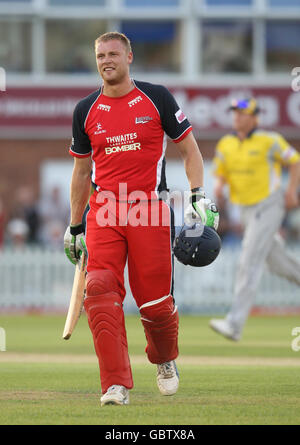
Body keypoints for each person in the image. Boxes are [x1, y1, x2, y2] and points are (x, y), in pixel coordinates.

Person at [63, 32, 218, 406]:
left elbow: (190, 150)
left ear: (129, 56)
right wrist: (75, 226)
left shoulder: (157, 97)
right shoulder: (85, 109)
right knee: (99, 290)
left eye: (113, 53)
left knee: (154, 302)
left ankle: (165, 360)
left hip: (148, 208)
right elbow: (82, 173)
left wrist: (197, 197)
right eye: (100, 55)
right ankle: (114, 384)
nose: (106, 60)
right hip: (105, 210)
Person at [210, 98, 300, 341]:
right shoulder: (226, 143)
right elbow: (220, 173)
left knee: (248, 259)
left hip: (270, 203)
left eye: (243, 113)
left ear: (255, 117)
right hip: (248, 210)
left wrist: (291, 191)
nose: (237, 117)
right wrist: (219, 187)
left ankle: (234, 324)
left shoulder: (269, 140)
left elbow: (295, 161)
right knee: (277, 262)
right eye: (235, 113)